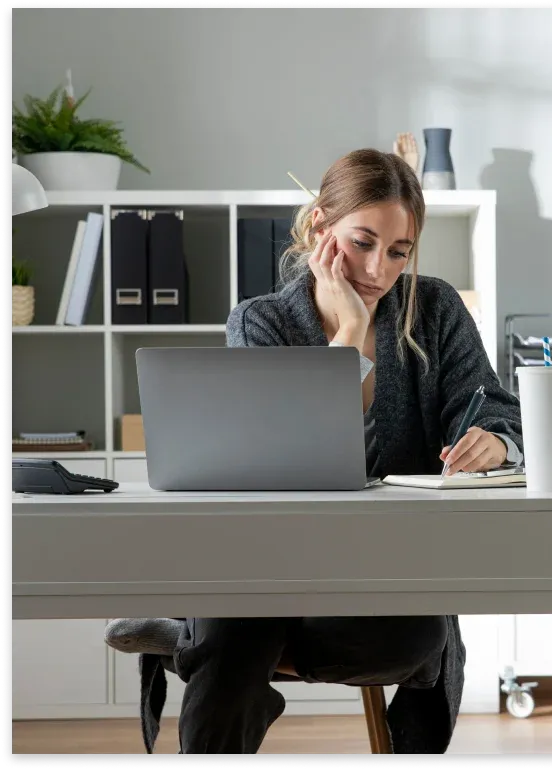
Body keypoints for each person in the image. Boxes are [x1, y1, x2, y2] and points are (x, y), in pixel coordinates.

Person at [113, 148, 523, 755]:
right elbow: (282, 460)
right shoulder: (261, 322)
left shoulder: (435, 309)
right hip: (269, 566)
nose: (378, 268)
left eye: (398, 251)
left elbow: (495, 407)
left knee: (412, 643)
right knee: (237, 627)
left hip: (382, 578)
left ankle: (188, 637)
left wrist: (495, 441)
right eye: (361, 242)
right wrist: (351, 337)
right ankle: (212, 640)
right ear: (319, 228)